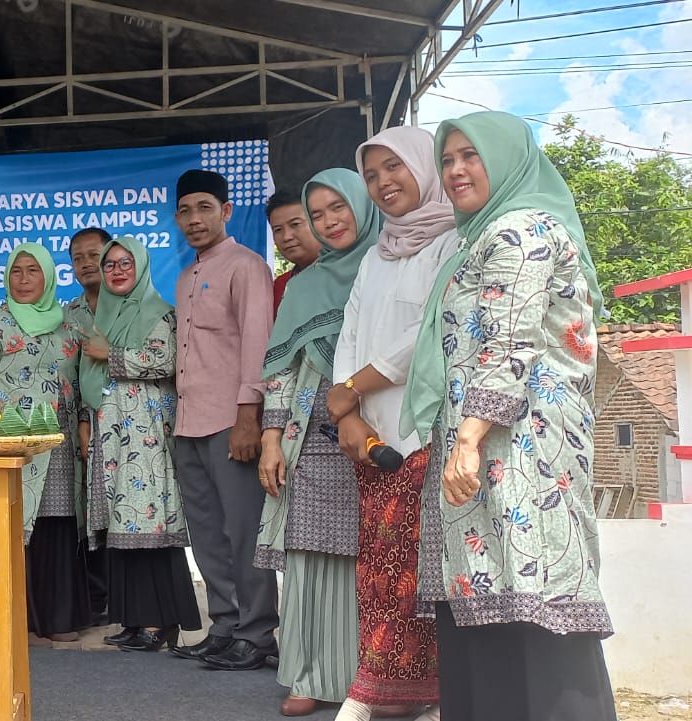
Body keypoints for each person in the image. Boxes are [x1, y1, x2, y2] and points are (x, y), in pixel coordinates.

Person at [405, 111, 615, 721]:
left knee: (531, 591)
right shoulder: (480, 237)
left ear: (507, 159)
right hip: (494, 444)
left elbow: (508, 346)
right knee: (496, 593)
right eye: (447, 159)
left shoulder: (520, 230)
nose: (456, 170)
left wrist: (468, 439)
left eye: (471, 155)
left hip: (520, 447)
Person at [327, 125, 459, 721]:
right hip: (370, 439)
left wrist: (351, 390)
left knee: (416, 572)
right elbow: (351, 331)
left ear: (423, 168)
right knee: (378, 572)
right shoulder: (377, 254)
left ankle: (420, 693)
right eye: (372, 173)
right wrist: (349, 412)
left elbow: (424, 334)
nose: (383, 182)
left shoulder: (454, 241)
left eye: (394, 167)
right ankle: (389, 688)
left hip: (421, 433)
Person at [253, 170, 375, 715]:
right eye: (317, 213)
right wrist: (271, 440)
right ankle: (306, 675)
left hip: (380, 427)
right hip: (309, 432)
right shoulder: (303, 286)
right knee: (307, 552)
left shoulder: (387, 267)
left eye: (337, 209)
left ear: (362, 207)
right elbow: (282, 368)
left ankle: (368, 679)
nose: (329, 222)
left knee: (371, 554)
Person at [167, 168, 279, 670]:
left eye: (205, 208)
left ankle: (257, 633)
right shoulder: (186, 276)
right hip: (188, 423)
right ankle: (225, 626)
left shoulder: (247, 266)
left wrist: (248, 417)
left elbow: (257, 344)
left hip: (230, 422)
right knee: (207, 534)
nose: (195, 219)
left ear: (226, 211)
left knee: (244, 530)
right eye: (185, 211)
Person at [78, 236, 202, 653]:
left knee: (148, 527)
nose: (116, 271)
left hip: (145, 437)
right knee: (123, 529)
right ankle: (133, 619)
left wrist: (110, 354)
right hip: (111, 436)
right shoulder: (104, 316)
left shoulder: (160, 313)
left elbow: (166, 360)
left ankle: (158, 621)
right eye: (110, 264)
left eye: (125, 263)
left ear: (142, 266)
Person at [0, 243, 89, 644]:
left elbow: (83, 383)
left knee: (56, 526)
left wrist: (83, 422)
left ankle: (57, 618)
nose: (24, 279)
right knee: (10, 525)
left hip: (59, 444)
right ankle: (11, 619)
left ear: (48, 276)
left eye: (34, 270)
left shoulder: (69, 325)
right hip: (10, 443)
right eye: (16, 271)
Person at [63, 227, 112, 624]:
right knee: (90, 510)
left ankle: (131, 602)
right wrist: (82, 423)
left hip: (133, 426)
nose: (85, 263)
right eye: (77, 257)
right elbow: (72, 376)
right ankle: (96, 598)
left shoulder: (130, 305)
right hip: (87, 426)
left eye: (93, 254)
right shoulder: (69, 316)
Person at [267, 190, 321, 316]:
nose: (286, 237)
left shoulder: (346, 273)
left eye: (295, 224)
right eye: (278, 230)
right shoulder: (280, 286)